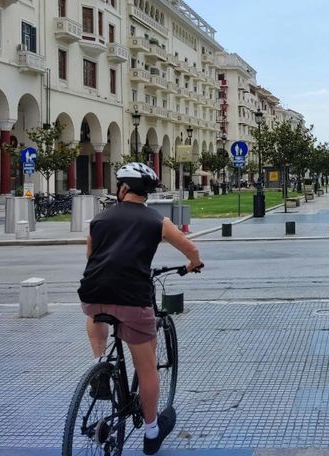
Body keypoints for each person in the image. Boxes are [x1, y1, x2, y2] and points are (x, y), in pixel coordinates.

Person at [78, 162, 203, 455]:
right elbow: (191, 250)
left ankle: (99, 367)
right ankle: (151, 431)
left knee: (95, 312)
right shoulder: (156, 221)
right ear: (146, 192)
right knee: (147, 369)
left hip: (93, 291)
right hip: (133, 298)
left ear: (122, 188)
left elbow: (90, 256)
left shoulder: (99, 220)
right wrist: (192, 265)